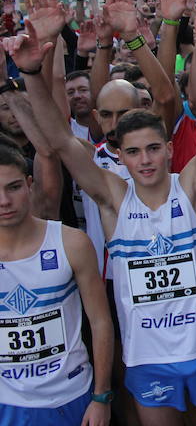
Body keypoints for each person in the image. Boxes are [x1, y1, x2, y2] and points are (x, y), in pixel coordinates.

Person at [10, 0, 196, 425]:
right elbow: (63, 141)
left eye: (154, 149)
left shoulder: (192, 188)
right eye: (135, 152)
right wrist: (30, 73)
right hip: (147, 359)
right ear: (118, 155)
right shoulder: (114, 199)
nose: (145, 160)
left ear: (167, 149)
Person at [0, 139, 115, 426]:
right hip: (8, 403)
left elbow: (100, 322)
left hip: (72, 395)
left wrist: (101, 396)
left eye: (13, 187)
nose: (4, 200)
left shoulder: (71, 243)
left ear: (29, 184)